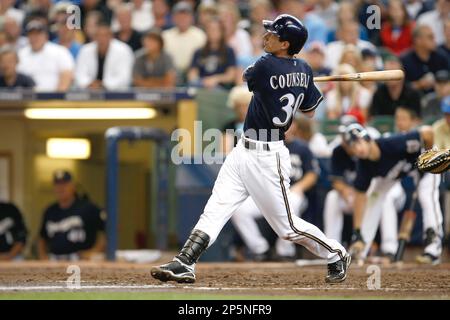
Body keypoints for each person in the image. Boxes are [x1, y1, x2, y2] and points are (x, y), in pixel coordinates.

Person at [151, 14, 351, 285]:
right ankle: (185, 262)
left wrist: (296, 79)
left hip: (268, 155)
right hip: (242, 150)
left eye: (272, 34)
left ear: (285, 44)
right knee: (216, 207)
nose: (265, 36)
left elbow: (249, 78)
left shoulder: (267, 64)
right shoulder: (302, 69)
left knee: (288, 227)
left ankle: (335, 252)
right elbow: (311, 111)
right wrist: (303, 80)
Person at [344, 124, 436, 263]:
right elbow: (360, 196)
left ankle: (432, 250)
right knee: (373, 198)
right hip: (394, 173)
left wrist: (428, 157)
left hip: (424, 162)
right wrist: (356, 230)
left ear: (368, 139)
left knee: (426, 196)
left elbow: (428, 132)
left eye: (358, 142)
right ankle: (360, 249)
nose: (357, 149)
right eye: (353, 146)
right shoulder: (363, 165)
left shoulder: (392, 143)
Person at [231, 120, 319, 261]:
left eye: (289, 124)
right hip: (268, 192)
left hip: (292, 192)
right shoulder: (265, 147)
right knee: (239, 209)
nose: (286, 128)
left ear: (295, 126)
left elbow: (312, 174)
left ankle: (285, 251)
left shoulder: (302, 148)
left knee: (293, 204)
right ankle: (260, 249)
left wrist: (300, 187)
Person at [38, 170, 106, 261]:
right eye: (57, 185)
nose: (60, 188)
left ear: (73, 186)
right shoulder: (50, 211)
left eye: (64, 184)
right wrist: (43, 256)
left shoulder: (88, 208)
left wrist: (95, 251)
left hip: (80, 261)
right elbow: (42, 237)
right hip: (55, 260)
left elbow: (108, 231)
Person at [17, 20, 74, 92]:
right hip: (27, 100)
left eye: (38, 34)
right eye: (31, 34)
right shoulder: (21, 54)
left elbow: (67, 75)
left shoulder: (60, 51)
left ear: (46, 36)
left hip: (53, 99)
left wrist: (58, 97)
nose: (34, 37)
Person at [75, 22, 134, 90]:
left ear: (111, 36)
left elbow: (125, 77)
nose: (102, 39)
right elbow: (80, 73)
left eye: (105, 35)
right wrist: (89, 83)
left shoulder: (124, 50)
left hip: (116, 93)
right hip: (89, 92)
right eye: (98, 35)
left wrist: (103, 85)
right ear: (94, 37)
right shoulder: (85, 50)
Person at [162, 1, 206, 83]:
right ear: (173, 18)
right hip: (171, 75)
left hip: (194, 74)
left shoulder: (200, 35)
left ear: (191, 18)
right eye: (179, 16)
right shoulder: (165, 36)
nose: (182, 19)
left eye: (185, 16)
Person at [187, 18, 237, 89]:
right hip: (201, 85)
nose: (212, 32)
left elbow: (231, 76)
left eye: (215, 29)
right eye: (210, 29)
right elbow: (192, 73)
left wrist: (215, 79)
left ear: (222, 32)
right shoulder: (198, 51)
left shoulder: (229, 51)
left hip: (220, 87)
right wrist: (201, 81)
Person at [400, 24, 449, 94]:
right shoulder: (405, 60)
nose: (434, 40)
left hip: (440, 98)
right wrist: (419, 84)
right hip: (415, 100)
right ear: (418, 40)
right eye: (430, 37)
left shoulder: (441, 57)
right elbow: (401, 87)